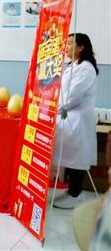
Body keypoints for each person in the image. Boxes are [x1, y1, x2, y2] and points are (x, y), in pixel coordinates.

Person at [52, 33, 98, 209]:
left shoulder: (86, 68)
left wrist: (54, 109)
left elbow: (73, 95)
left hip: (78, 118)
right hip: (68, 117)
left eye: (71, 43)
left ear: (81, 47)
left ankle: (75, 194)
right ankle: (72, 190)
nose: (66, 47)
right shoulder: (73, 65)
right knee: (71, 156)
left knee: (77, 158)